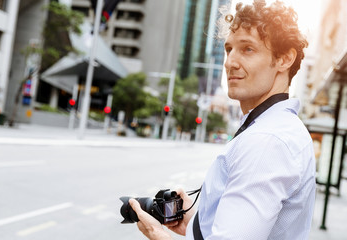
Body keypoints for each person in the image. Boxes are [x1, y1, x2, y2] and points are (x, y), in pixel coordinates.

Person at [129, 0, 316, 239]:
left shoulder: (267, 141)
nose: (230, 62)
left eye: (248, 49)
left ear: (284, 59)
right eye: (229, 49)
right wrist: (196, 223)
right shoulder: (276, 128)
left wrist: (157, 233)